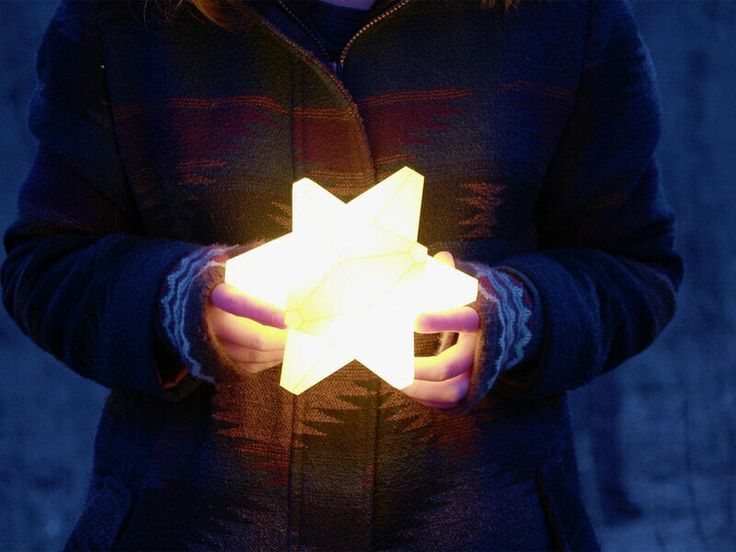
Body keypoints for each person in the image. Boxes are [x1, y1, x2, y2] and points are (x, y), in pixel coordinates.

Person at [1, 0, 682, 549]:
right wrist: (180, 304)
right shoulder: (123, 22)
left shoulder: (567, 20)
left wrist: (517, 319)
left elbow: (632, 263)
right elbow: (47, 263)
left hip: (484, 521)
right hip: (192, 524)